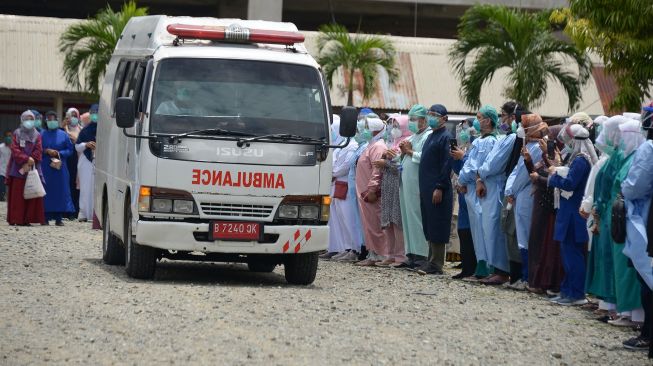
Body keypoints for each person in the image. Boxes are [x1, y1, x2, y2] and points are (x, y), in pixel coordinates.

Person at [548, 123, 595, 306]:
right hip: (569, 212)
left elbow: (569, 184)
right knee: (567, 255)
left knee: (573, 255)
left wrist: (554, 176)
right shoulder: (576, 158)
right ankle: (567, 290)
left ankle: (576, 293)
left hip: (573, 214)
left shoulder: (581, 160)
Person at [585, 115, 627, 310]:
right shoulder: (610, 159)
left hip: (613, 212)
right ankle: (606, 304)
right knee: (605, 258)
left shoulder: (618, 158)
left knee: (613, 260)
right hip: (605, 211)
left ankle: (618, 308)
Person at [622, 105, 653, 351]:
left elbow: (634, 186)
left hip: (645, 217)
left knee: (647, 278)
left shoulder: (648, 149)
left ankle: (648, 334)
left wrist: (624, 188)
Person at [504, 113, 547, 287]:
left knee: (526, 236)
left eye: (523, 125)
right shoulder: (528, 144)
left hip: (527, 195)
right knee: (522, 235)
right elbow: (515, 171)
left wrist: (512, 191)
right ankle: (525, 276)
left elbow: (523, 176)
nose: (520, 128)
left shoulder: (536, 148)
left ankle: (529, 277)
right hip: (519, 194)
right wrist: (510, 189)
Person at [458, 109, 497, 281]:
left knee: (483, 231)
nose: (476, 121)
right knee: (476, 231)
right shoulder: (479, 141)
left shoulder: (488, 142)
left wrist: (463, 179)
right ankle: (479, 267)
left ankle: (485, 269)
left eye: (480, 118)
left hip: (479, 189)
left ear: (488, 121)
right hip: (470, 189)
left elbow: (475, 166)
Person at [474, 105, 511, 285]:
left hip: (493, 186)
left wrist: (480, 173)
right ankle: (493, 267)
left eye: (504, 116)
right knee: (486, 229)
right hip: (484, 183)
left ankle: (500, 270)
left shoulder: (499, 139)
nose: (502, 120)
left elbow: (492, 164)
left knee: (494, 230)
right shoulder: (503, 138)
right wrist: (480, 175)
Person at [415, 104, 453, 275]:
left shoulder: (446, 137)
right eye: (429, 114)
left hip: (438, 189)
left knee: (438, 224)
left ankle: (437, 263)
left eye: (434, 115)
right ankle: (430, 260)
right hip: (426, 188)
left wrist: (440, 187)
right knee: (429, 223)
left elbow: (446, 165)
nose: (431, 117)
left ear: (444, 118)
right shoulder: (431, 136)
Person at [526, 125, 565, 295]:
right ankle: (536, 280)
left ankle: (547, 282)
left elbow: (553, 178)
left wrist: (539, 178)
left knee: (546, 246)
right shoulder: (547, 156)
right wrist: (528, 162)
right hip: (540, 201)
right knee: (536, 242)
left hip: (549, 206)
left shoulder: (558, 158)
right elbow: (536, 174)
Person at [374, 114, 411, 267]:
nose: (393, 129)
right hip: (388, 185)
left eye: (397, 126)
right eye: (392, 126)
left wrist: (386, 163)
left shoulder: (407, 143)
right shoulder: (393, 143)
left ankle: (401, 256)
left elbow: (403, 166)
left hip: (398, 185)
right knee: (387, 221)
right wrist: (384, 158)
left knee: (397, 221)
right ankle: (390, 254)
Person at [399, 105, 433, 269]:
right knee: (407, 218)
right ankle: (410, 253)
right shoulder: (413, 137)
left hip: (417, 183)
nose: (411, 122)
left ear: (423, 120)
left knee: (416, 218)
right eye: (410, 119)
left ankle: (421, 254)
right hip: (406, 183)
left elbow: (426, 158)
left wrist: (410, 152)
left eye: (414, 119)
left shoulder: (428, 136)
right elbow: (406, 152)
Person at [325, 115, 360, 262]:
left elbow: (344, 166)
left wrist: (332, 173)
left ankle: (352, 249)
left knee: (348, 219)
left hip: (344, 185)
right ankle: (342, 248)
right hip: (336, 185)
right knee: (338, 219)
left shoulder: (351, 145)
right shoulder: (339, 146)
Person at [355, 113, 388, 266]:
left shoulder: (379, 146)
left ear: (375, 129)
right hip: (364, 193)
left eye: (368, 127)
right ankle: (372, 253)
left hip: (371, 193)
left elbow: (377, 171)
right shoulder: (371, 145)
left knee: (375, 225)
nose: (365, 130)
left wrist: (373, 190)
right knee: (369, 225)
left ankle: (379, 255)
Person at [6, 110, 45, 225]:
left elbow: (39, 150)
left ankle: (29, 219)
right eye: (26, 119)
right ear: (22, 120)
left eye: (31, 119)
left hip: (32, 169)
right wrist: (25, 159)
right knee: (17, 196)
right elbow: (14, 149)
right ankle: (16, 219)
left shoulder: (37, 135)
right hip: (18, 169)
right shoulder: (17, 133)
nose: (29, 121)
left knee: (32, 193)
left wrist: (31, 160)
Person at [451, 120, 476, 279]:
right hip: (462, 191)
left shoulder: (479, 145)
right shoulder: (465, 146)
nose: (464, 131)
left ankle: (472, 267)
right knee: (463, 230)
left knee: (472, 232)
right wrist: (456, 157)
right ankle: (466, 266)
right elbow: (459, 169)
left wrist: (464, 157)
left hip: (473, 190)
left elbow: (474, 166)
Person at [41, 111, 75, 226]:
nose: (52, 121)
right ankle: (45, 217)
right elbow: (37, 149)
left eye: (53, 119)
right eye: (49, 119)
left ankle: (59, 218)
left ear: (57, 120)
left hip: (60, 167)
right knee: (46, 191)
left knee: (61, 191)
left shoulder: (63, 134)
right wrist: (46, 151)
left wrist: (59, 153)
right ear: (46, 121)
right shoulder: (42, 134)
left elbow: (70, 150)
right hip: (46, 167)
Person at [76, 104, 98, 222]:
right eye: (93, 112)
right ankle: (84, 213)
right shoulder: (85, 130)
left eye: (98, 112)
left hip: (101, 162)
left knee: (97, 188)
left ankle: (96, 214)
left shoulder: (106, 129)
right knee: (85, 188)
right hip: (86, 162)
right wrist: (86, 144)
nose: (96, 115)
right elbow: (77, 147)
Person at [0, 131, 12, 201]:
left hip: (11, 172)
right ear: (4, 137)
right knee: (2, 191)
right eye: (7, 136)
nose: (8, 138)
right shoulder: (1, 147)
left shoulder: (14, 148)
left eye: (10, 136)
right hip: (1, 171)